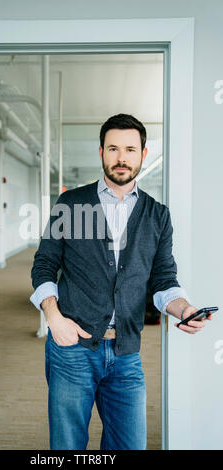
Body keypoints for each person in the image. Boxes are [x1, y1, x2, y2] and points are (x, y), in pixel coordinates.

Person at [29, 113, 212, 450]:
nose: (121, 157)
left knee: (130, 444)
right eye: (113, 148)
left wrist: (183, 308)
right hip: (73, 350)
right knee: (67, 445)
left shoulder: (157, 214)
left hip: (127, 351)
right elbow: (44, 265)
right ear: (101, 152)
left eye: (130, 149)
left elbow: (163, 278)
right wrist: (53, 319)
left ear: (143, 154)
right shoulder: (70, 204)